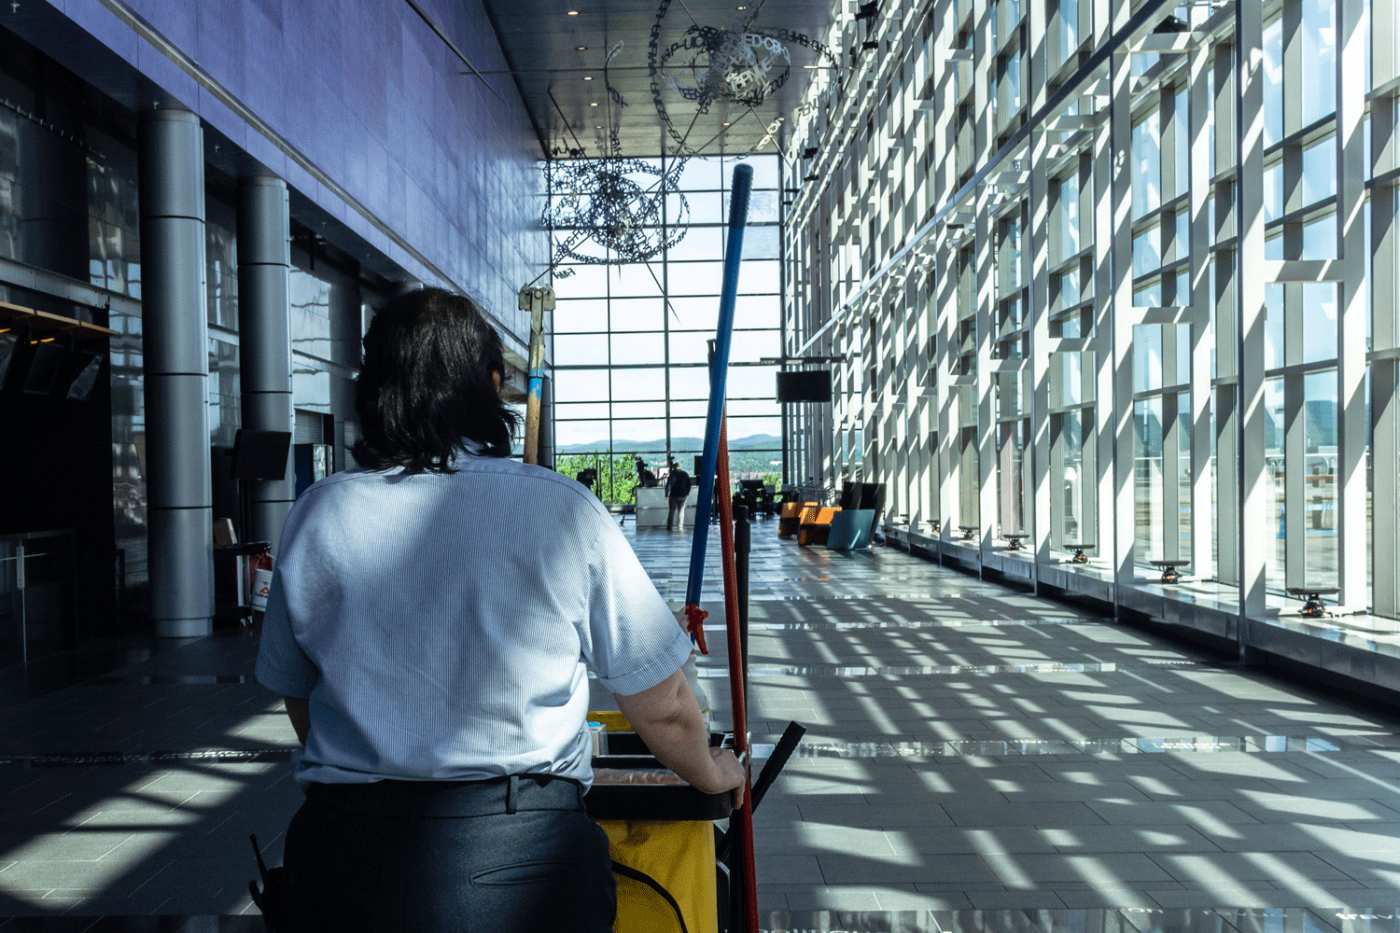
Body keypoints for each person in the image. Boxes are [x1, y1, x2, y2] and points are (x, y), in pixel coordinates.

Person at [254, 288, 744, 933]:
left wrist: (377, 763)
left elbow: (299, 691)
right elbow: (664, 704)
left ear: (373, 386)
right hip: (521, 857)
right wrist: (714, 774)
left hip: (345, 856)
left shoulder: (319, 511)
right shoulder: (559, 509)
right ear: (488, 384)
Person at [664, 458, 691, 532]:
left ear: (673, 468)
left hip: (673, 495)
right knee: (681, 511)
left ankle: (669, 526)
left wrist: (666, 494)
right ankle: (680, 526)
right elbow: (689, 484)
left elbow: (668, 485)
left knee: (672, 511)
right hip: (683, 496)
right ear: (679, 467)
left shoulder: (672, 474)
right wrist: (687, 493)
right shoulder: (685, 474)